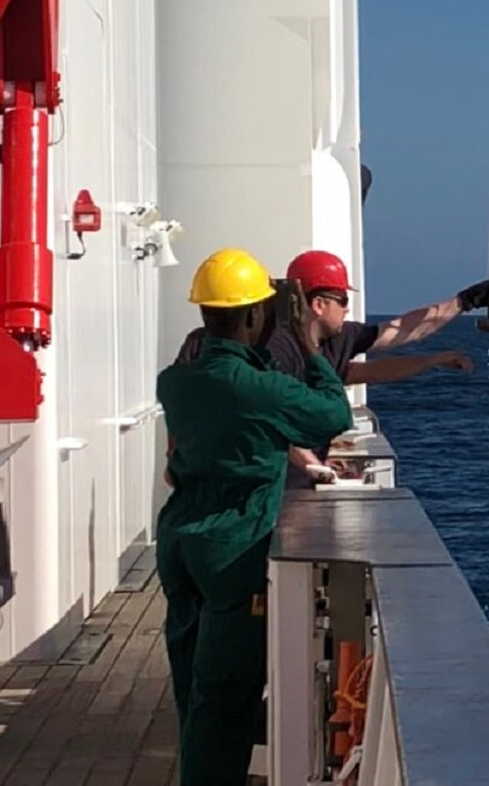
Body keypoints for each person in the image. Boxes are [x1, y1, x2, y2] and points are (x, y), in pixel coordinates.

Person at [155, 247, 355, 786]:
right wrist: (307, 344)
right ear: (252, 316)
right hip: (233, 549)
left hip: (179, 543)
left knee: (191, 683)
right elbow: (333, 412)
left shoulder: (174, 381)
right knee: (227, 694)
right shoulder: (259, 388)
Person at [173, 249, 489, 486]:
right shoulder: (279, 349)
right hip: (262, 490)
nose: (347, 308)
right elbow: (266, 416)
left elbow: (399, 332)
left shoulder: (335, 340)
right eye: (343, 299)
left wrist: (463, 303)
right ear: (318, 304)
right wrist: (312, 465)